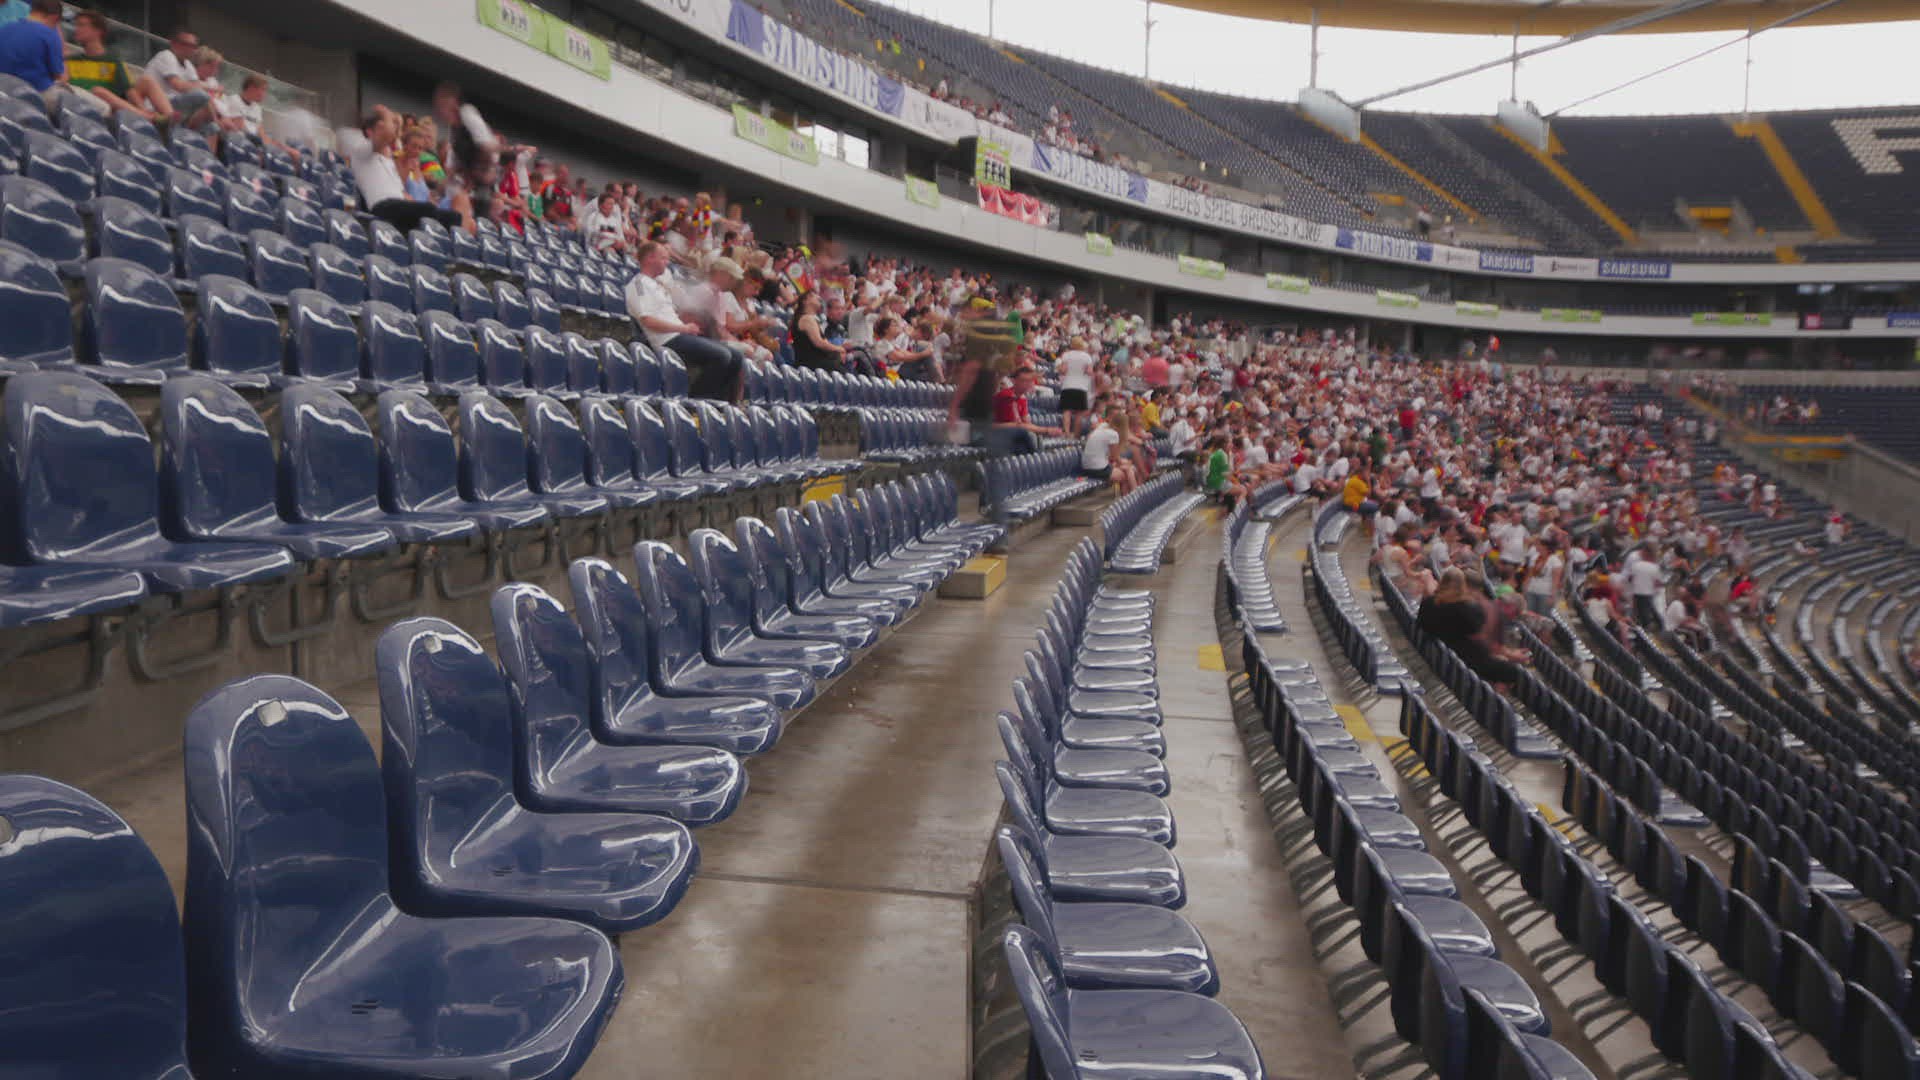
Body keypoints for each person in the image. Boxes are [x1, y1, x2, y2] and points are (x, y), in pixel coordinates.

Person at [625, 239, 741, 401]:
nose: (667, 262)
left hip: (679, 333)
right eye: (663, 258)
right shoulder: (639, 285)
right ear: (650, 258)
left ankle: (720, 404)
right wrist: (684, 328)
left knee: (736, 357)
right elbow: (648, 320)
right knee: (722, 356)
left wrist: (687, 325)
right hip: (666, 339)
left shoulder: (657, 284)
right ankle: (696, 400)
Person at [337, 104, 464, 233]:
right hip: (381, 207)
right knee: (428, 210)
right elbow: (385, 136)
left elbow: (401, 190)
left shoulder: (388, 161)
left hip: (398, 206)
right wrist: (387, 115)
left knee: (454, 217)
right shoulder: (362, 149)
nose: (394, 125)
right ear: (376, 128)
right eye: (389, 122)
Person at [1416, 568, 1525, 688]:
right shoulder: (1467, 610)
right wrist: (1507, 654)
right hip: (1463, 664)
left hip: (1439, 657)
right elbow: (1480, 640)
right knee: (1516, 672)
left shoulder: (1429, 603)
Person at [67, 10, 172, 123]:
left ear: (97, 31)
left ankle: (170, 120)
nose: (76, 29)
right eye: (76, 25)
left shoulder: (113, 61)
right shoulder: (70, 61)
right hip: (92, 107)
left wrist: (142, 108)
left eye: (81, 25)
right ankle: (149, 118)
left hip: (115, 107)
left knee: (146, 81)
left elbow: (130, 92)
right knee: (99, 91)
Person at [143, 27, 214, 128]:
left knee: (211, 126)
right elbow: (178, 85)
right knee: (201, 96)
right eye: (187, 45)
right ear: (174, 44)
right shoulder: (166, 56)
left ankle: (188, 130)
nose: (191, 49)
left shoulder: (188, 64)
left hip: (174, 105)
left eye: (194, 46)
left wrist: (212, 116)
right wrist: (210, 87)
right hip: (155, 105)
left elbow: (196, 86)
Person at [0, 0, 64, 108]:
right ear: (54, 17)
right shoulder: (50, 35)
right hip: (35, 90)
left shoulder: (6, 28)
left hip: (3, 85)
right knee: (65, 101)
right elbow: (57, 74)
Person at [993, 365, 1062, 453]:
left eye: (1030, 381)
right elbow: (1018, 425)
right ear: (1014, 381)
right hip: (991, 431)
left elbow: (1026, 422)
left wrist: (1040, 431)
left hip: (1009, 432)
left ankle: (1039, 455)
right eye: (1023, 381)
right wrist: (1046, 430)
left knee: (1028, 441)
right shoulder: (1007, 396)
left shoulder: (1022, 398)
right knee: (1025, 434)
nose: (1027, 384)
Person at [791, 293, 846, 372]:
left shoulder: (812, 319)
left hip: (817, 362)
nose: (818, 297)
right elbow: (819, 343)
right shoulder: (806, 319)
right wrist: (840, 349)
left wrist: (837, 352)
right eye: (813, 296)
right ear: (805, 301)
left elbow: (825, 342)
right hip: (810, 363)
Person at [1056, 337, 1095, 437]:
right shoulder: (1087, 357)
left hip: (1068, 385)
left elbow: (1063, 371)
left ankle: (1066, 433)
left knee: (1067, 411)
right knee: (1079, 414)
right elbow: (1089, 372)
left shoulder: (1066, 355)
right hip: (1081, 387)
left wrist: (1059, 369)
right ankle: (1076, 435)